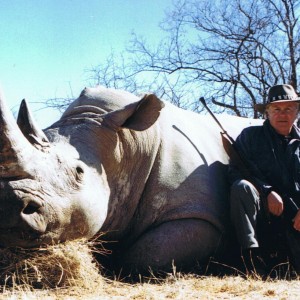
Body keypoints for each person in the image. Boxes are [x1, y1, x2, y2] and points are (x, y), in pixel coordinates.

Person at [229, 84, 300, 277]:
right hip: (263, 218)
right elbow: (235, 171)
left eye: (288, 109)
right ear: (267, 112)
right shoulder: (250, 137)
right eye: (276, 109)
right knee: (241, 187)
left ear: (297, 112)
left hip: (296, 221)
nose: (282, 114)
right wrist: (266, 192)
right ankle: (251, 260)